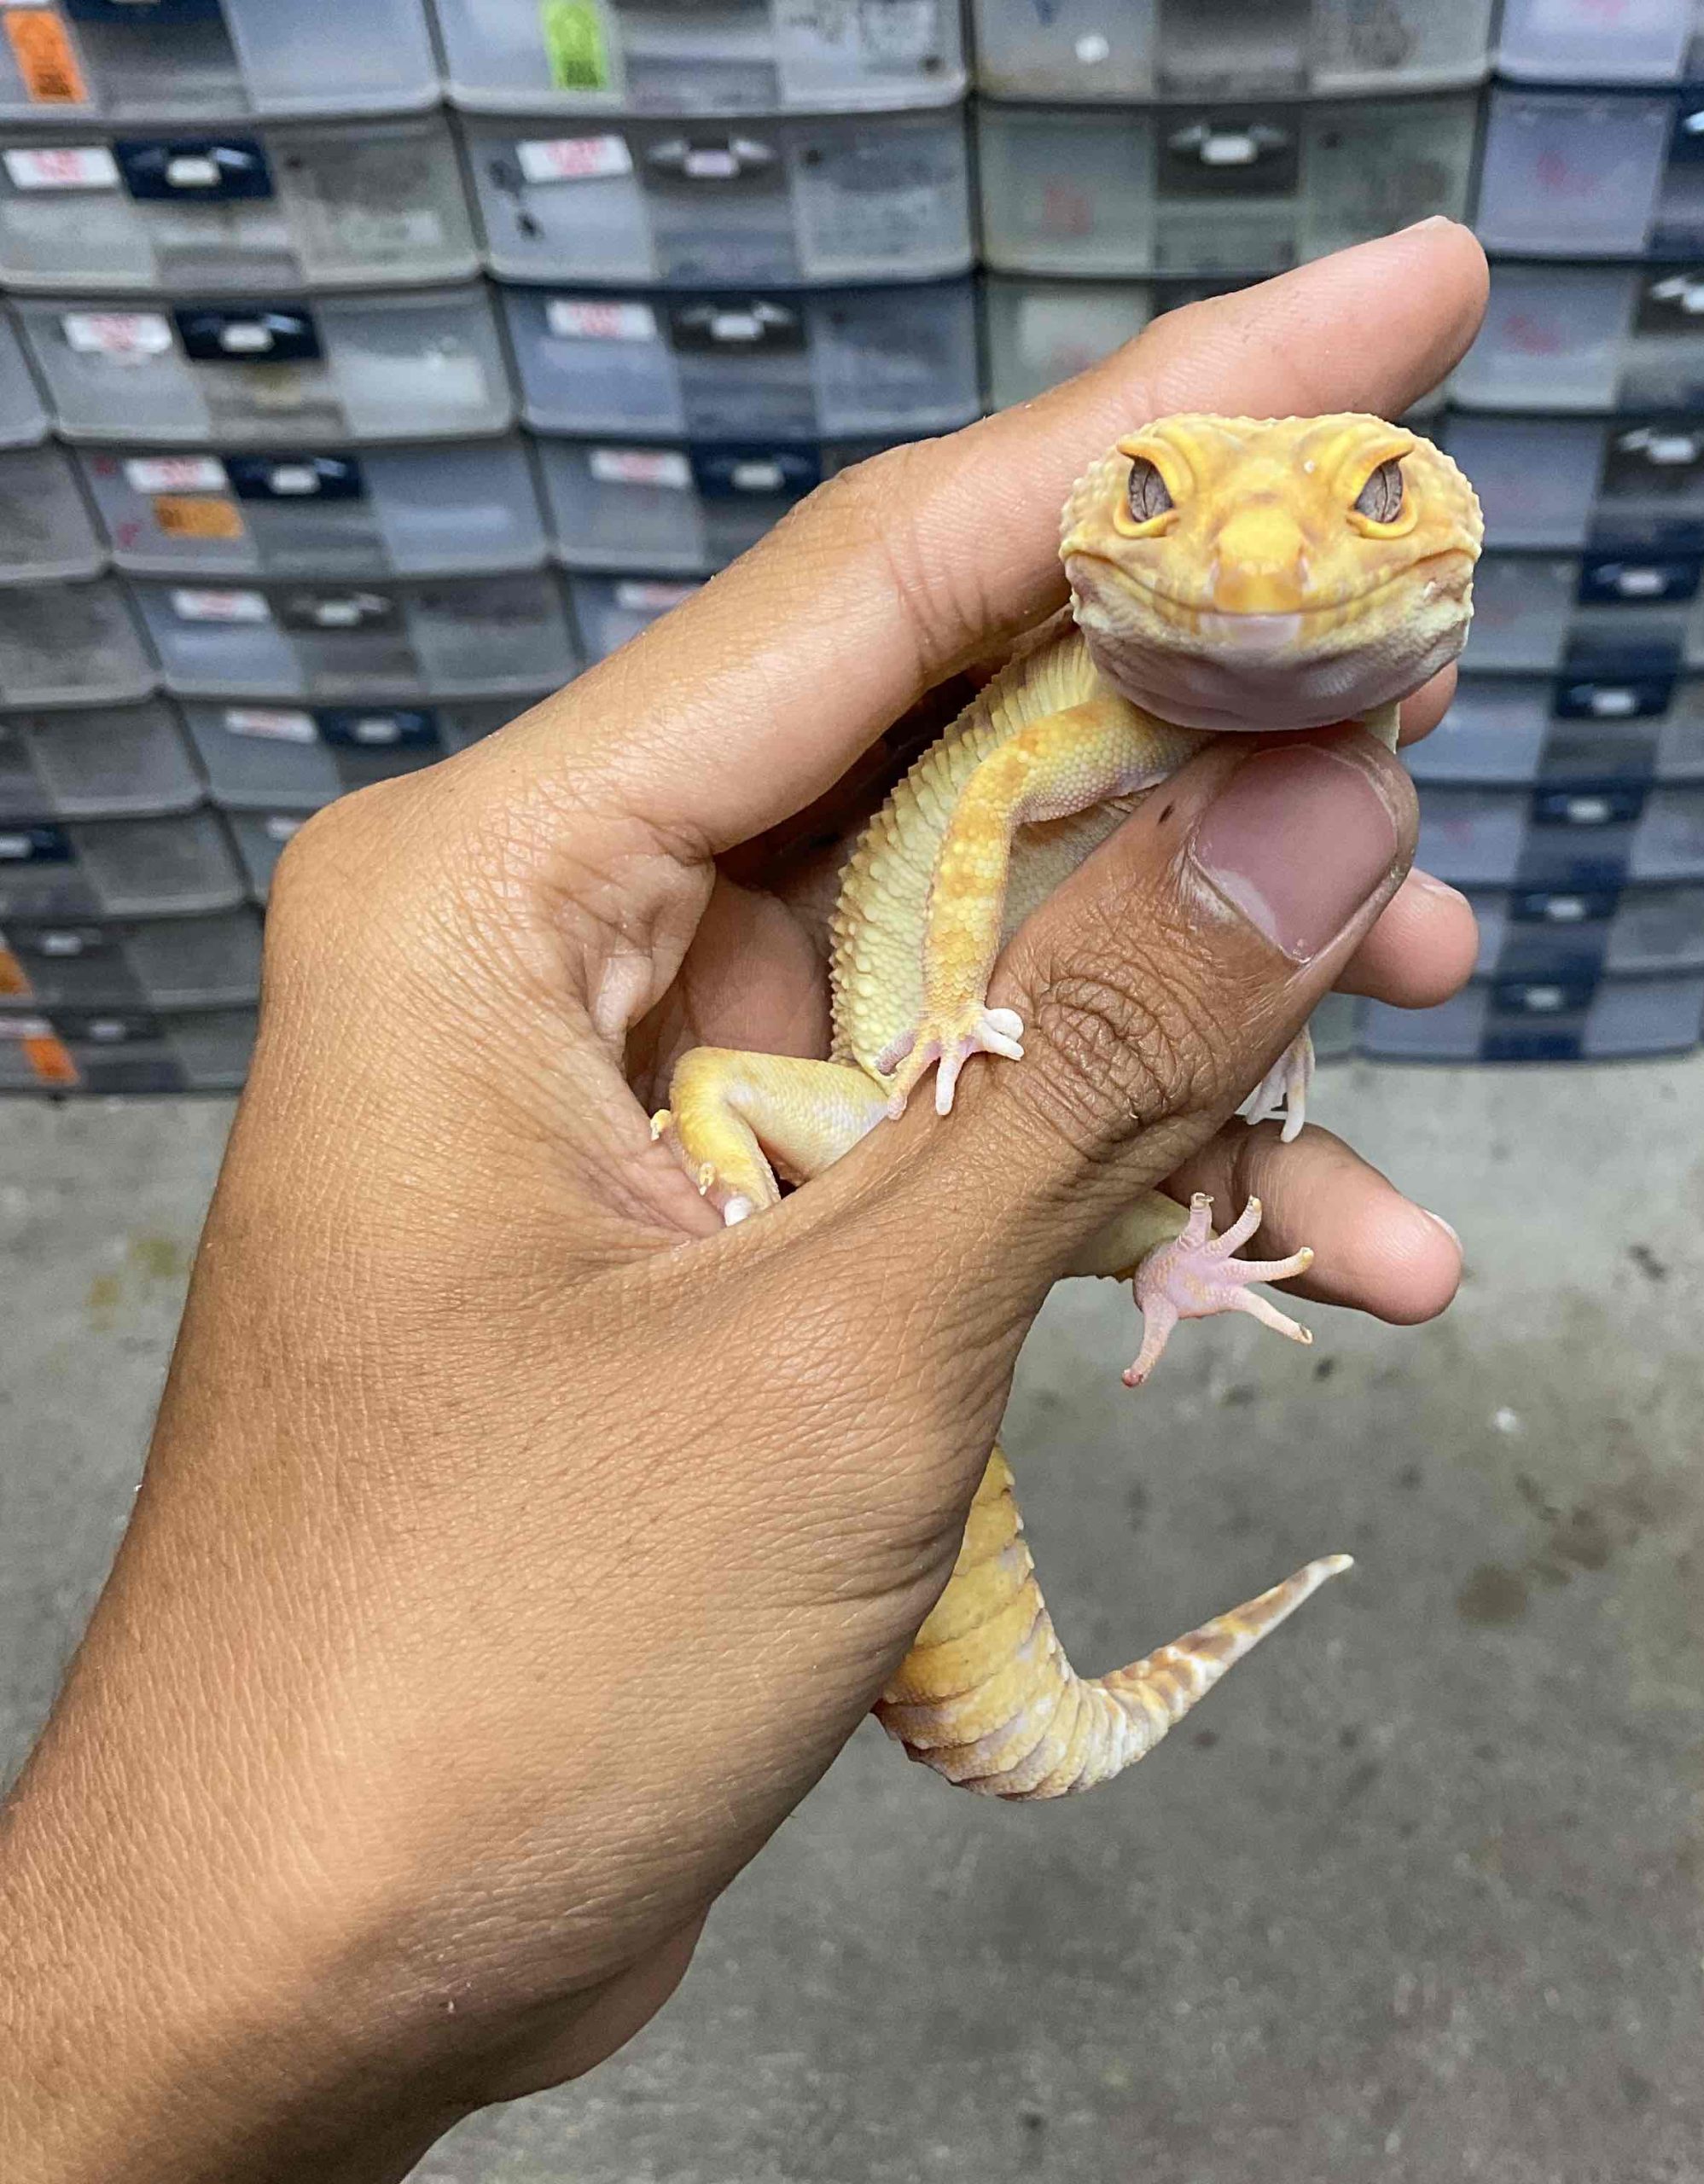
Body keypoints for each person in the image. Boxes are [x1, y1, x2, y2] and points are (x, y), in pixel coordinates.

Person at [0, 221, 1489, 2181]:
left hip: (901, 1138)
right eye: (1156, 498)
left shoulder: (1279, 720)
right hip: (878, 1082)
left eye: (1367, 498)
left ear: (1441, 544)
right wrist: (959, 1014)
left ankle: (1126, 1242)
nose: (1262, 561)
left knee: (1081, 1152)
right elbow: (978, 811)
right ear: (1090, 552)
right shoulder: (1097, 714)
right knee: (789, 1096)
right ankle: (850, 1177)